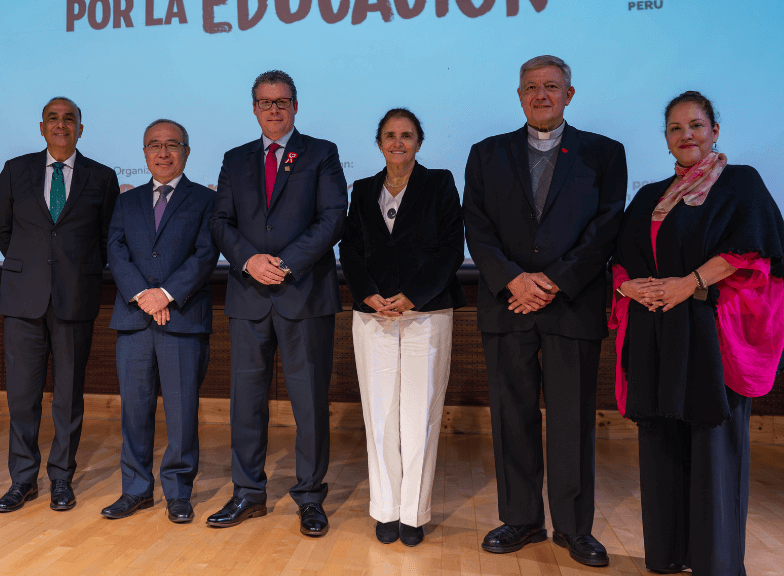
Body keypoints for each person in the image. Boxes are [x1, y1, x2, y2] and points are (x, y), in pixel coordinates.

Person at [610, 91, 784, 576]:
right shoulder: (649, 196)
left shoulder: (740, 183)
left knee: (714, 449)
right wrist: (630, 287)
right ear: (665, 139)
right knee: (661, 441)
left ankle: (716, 563)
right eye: (675, 128)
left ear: (714, 131)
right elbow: (620, 259)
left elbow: (752, 251)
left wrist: (688, 283)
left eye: (696, 125)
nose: (686, 135)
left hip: (710, 336)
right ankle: (667, 554)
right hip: (657, 333)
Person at [464, 55, 626, 567]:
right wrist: (514, 279)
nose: (541, 95)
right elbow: (477, 227)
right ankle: (521, 519)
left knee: (571, 421)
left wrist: (554, 280)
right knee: (511, 417)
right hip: (507, 302)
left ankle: (574, 528)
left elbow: (606, 229)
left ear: (569, 95)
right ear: (519, 96)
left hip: (570, 305)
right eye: (531, 87)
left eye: (551, 87)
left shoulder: (604, 153)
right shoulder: (486, 153)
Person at [207, 70, 347, 537]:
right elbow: (220, 221)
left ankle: (310, 497)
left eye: (281, 101)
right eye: (265, 102)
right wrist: (249, 260)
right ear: (253, 108)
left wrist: (285, 264)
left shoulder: (321, 153)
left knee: (309, 404)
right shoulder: (235, 159)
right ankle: (248, 493)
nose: (273, 109)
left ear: (295, 106)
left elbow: (333, 217)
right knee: (246, 404)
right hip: (249, 296)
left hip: (303, 294)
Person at [338, 109, 465, 547]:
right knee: (379, 418)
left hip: (425, 314)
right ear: (379, 143)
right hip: (373, 315)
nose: (398, 142)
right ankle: (386, 510)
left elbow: (451, 248)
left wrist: (413, 295)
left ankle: (413, 513)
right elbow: (350, 248)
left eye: (406, 135)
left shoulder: (439, 183)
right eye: (390, 135)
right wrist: (367, 293)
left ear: (419, 142)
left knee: (419, 416)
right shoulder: (362, 188)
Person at [0, 97, 120, 513]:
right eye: (53, 118)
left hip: (75, 298)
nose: (61, 124)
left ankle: (62, 477)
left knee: (68, 396)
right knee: (21, 396)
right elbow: (2, 228)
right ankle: (22, 480)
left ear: (80, 128)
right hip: (23, 299)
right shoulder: (16, 170)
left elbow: (107, 238)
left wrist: (74, 271)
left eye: (69, 119)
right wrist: (32, 269)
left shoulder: (102, 176)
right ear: (42, 127)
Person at [102, 119, 219, 523]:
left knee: (182, 413)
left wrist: (165, 294)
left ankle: (178, 491)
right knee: (134, 412)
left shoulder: (205, 200)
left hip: (182, 319)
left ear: (186, 151)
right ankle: (136, 490)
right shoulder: (126, 201)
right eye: (155, 145)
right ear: (144, 152)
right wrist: (143, 295)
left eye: (172, 145)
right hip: (135, 319)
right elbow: (115, 250)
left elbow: (205, 254)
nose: (163, 153)